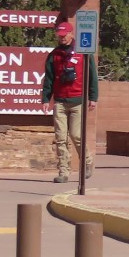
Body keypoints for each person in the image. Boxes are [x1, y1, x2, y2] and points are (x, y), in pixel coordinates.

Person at [42, 18, 98, 183]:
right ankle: (63, 171)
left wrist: (93, 97)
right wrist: (46, 98)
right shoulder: (54, 55)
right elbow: (49, 79)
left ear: (71, 33)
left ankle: (87, 162)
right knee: (60, 137)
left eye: (64, 34)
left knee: (76, 135)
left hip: (77, 101)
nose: (62, 38)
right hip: (60, 101)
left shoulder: (83, 53)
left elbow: (92, 76)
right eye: (59, 35)